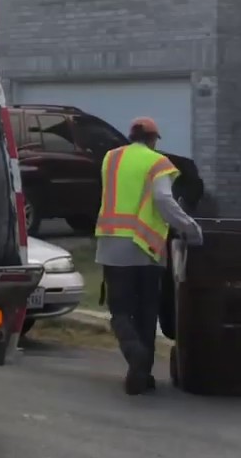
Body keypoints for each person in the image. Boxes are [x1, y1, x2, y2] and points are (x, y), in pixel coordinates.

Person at [95, 116, 203, 395]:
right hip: (147, 247)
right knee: (146, 312)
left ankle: (135, 359)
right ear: (154, 139)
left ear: (131, 135)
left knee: (120, 311)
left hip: (112, 245)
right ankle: (141, 372)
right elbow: (165, 201)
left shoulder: (110, 159)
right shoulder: (158, 163)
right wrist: (191, 228)